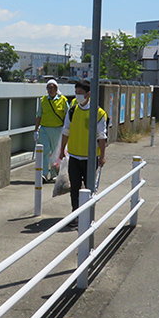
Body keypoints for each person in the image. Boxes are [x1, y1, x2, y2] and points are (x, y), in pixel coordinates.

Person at [59, 79, 107, 227]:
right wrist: (62, 150)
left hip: (90, 158)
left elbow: (102, 136)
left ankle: (88, 216)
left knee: (88, 188)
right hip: (73, 155)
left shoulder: (98, 113)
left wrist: (102, 156)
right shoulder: (73, 110)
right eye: (76, 93)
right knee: (74, 187)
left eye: (80, 93)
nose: (77, 96)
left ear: (88, 94)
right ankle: (75, 214)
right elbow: (66, 131)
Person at [34, 79, 68, 181]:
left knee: (55, 153)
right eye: (49, 87)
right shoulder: (43, 100)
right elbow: (39, 115)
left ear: (56, 89)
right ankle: (44, 174)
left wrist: (67, 129)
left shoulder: (63, 100)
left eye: (52, 87)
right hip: (44, 128)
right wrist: (36, 130)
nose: (50, 89)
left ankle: (54, 174)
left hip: (58, 129)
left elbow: (67, 115)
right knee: (45, 151)